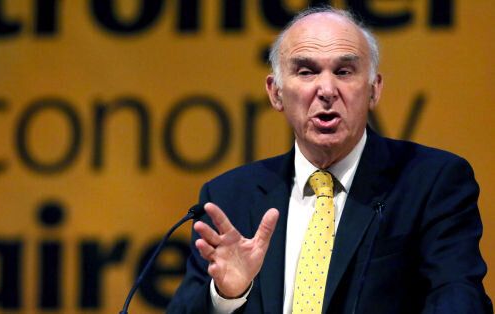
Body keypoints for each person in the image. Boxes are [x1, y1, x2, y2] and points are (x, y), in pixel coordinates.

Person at [167, 6, 492, 314]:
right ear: (276, 93)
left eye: (344, 71)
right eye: (306, 71)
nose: (326, 89)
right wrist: (225, 296)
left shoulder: (431, 182)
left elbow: (458, 295)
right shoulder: (229, 197)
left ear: (374, 89)